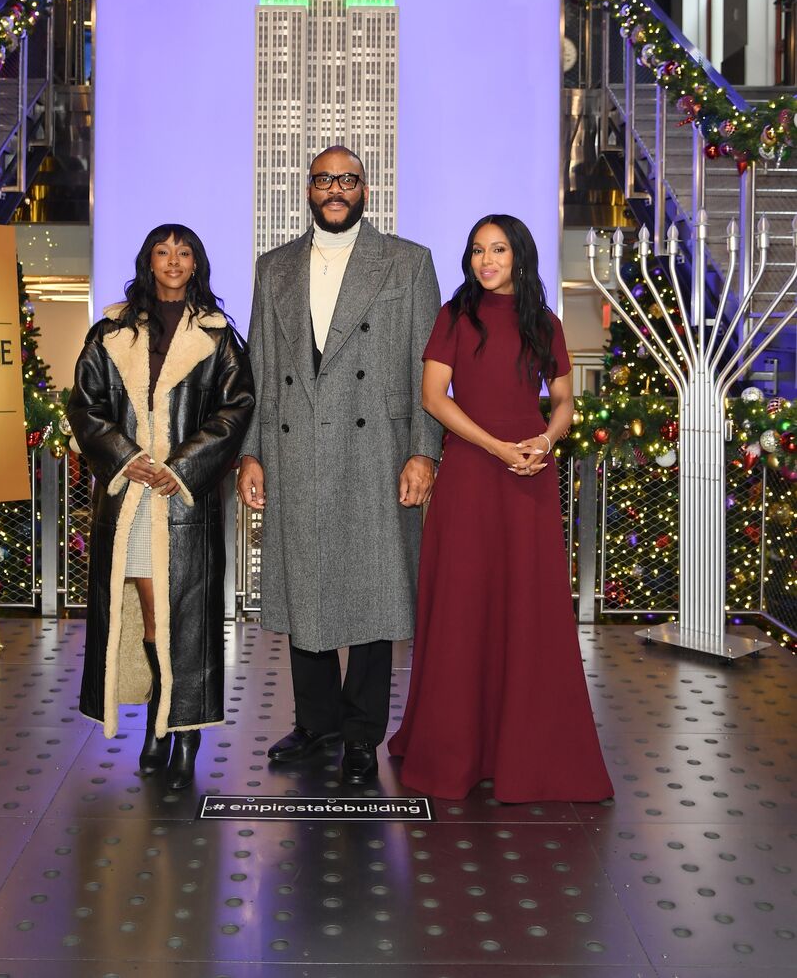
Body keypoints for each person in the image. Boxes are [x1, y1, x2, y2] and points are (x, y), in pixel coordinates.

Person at [389, 214, 613, 802]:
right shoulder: (454, 317)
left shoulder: (545, 323)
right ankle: (455, 747)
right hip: (471, 471)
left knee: (528, 608)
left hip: (529, 476)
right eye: (476, 251)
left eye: (498, 250)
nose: (485, 261)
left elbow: (563, 399)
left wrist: (545, 440)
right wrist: (494, 446)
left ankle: (525, 747)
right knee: (463, 605)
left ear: (520, 256)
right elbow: (433, 398)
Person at [237, 146, 442, 785]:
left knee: (376, 595)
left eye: (347, 180)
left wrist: (424, 452)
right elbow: (261, 371)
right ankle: (317, 722)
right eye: (325, 179)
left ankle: (361, 733)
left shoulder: (408, 263)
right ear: (308, 188)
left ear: (365, 189)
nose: (335, 189)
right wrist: (250, 451)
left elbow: (427, 367)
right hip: (296, 449)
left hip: (377, 451)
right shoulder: (274, 268)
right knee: (306, 593)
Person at [67, 225, 254, 788]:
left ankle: (184, 729)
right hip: (129, 497)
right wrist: (128, 458)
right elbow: (86, 405)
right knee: (152, 615)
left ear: (196, 263)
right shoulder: (110, 332)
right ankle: (160, 719)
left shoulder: (220, 337)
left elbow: (235, 410)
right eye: (163, 251)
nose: (173, 260)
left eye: (184, 252)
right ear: (148, 260)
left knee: (184, 614)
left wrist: (179, 467)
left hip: (182, 497)